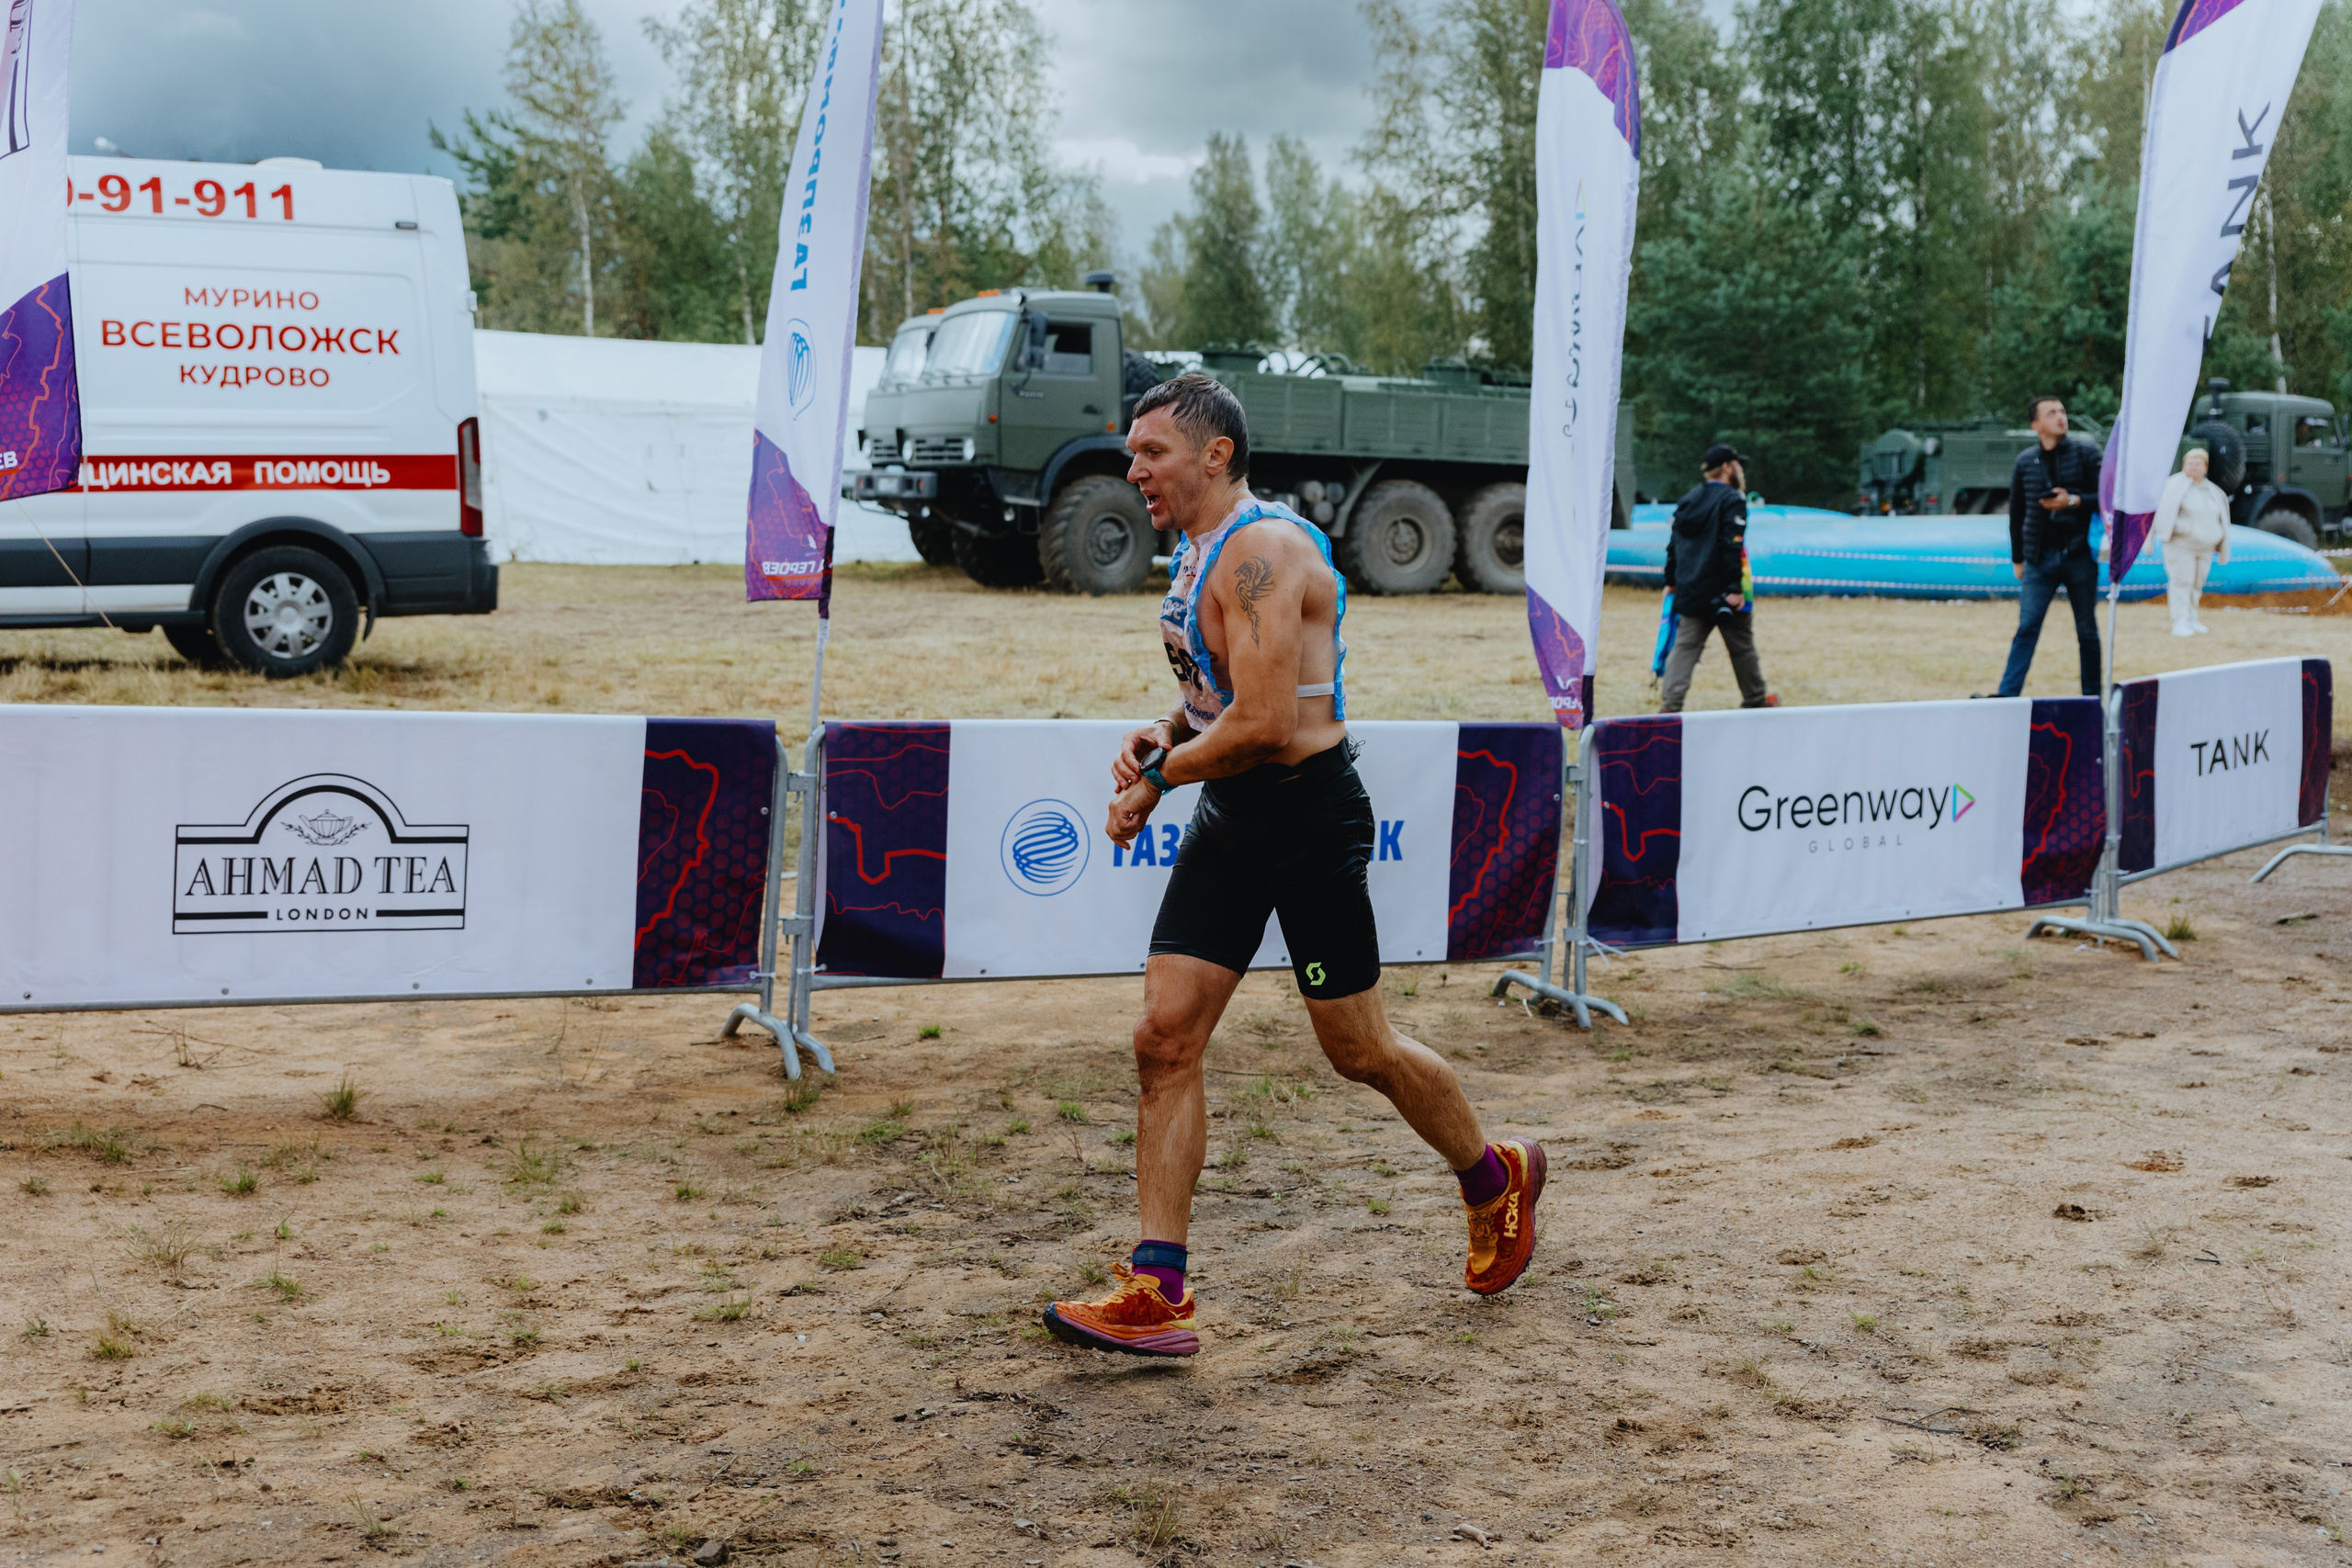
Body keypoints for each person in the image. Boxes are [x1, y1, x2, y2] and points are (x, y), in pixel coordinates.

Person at [1040, 374, 1546, 1359]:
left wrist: (1156, 778)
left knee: (1358, 1051)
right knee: (1162, 1039)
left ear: (1214, 454)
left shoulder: (1263, 552)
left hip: (1308, 819)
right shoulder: (1194, 555)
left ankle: (1494, 1176)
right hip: (1235, 817)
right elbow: (1221, 703)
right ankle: (1159, 1290)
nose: (1132, 468)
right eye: (1131, 452)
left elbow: (1269, 725)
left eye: (1151, 452)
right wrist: (1164, 733)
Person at [1995, 395, 2104, 695]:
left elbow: (2107, 499)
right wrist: (2018, 558)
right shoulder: (2026, 461)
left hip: (2079, 557)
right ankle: (2006, 696)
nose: (2060, 417)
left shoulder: (2087, 453)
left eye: (2062, 410)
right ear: (2036, 425)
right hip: (2039, 560)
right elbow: (2016, 512)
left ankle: (2092, 700)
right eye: (2051, 413)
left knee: (2086, 632)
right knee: (2027, 627)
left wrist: (2072, 500)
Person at [1658, 444, 1774, 713]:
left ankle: (1669, 707)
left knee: (1685, 648)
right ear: (1726, 467)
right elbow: (1731, 544)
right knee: (1742, 649)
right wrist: (1734, 587)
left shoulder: (1689, 499)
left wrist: (1671, 581)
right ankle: (1755, 702)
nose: (1741, 470)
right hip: (1725, 593)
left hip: (1691, 589)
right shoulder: (1732, 500)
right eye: (1738, 464)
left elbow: (1673, 544)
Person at [2153, 446, 2230, 637]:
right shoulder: (2172, 486)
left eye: (2198, 463)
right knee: (2182, 581)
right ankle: (2180, 620)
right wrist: (2185, 529)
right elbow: (2162, 514)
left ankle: (2192, 617)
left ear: (2205, 467)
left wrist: (2218, 535)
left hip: (2205, 548)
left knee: (2197, 583)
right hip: (2181, 546)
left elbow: (2221, 515)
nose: (2194, 466)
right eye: (2190, 463)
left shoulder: (2212, 490)